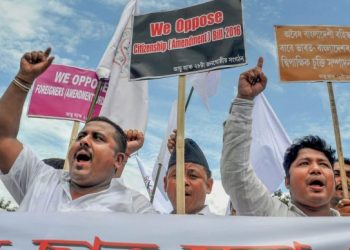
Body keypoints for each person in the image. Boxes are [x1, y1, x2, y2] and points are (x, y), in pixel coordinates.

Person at [0, 48, 156, 213]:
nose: (84, 140)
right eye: (82, 135)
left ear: (118, 159)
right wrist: (23, 80)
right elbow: (3, 139)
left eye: (98, 138)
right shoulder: (40, 179)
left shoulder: (135, 208)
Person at [220, 57, 339, 216]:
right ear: (287, 182)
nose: (316, 169)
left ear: (335, 181)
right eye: (304, 163)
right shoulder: (271, 216)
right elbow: (237, 176)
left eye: (324, 164)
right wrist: (244, 101)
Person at [164, 132, 214, 215]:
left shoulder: (226, 226)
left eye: (193, 176)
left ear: (208, 185)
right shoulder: (153, 224)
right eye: (176, 175)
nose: (183, 181)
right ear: (165, 184)